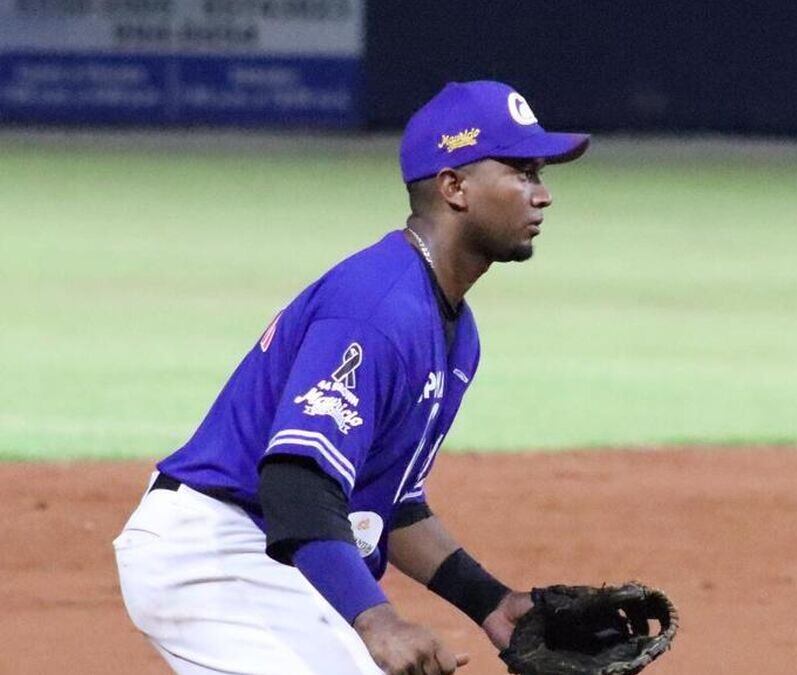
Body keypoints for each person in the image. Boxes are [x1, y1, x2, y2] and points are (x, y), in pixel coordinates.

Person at [113, 80, 590, 675]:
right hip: (214, 552)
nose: (542, 195)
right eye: (522, 170)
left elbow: (391, 502)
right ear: (455, 186)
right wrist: (378, 621)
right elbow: (295, 483)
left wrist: (490, 602)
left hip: (271, 554)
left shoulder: (453, 329)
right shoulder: (377, 308)